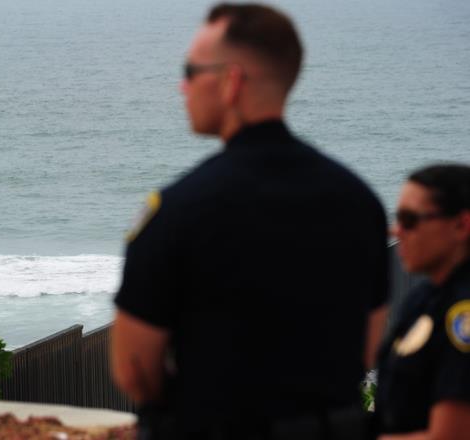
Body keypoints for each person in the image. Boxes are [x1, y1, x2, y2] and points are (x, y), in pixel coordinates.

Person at [111, 3, 389, 438]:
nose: (182, 87)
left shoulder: (178, 209)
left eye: (190, 71)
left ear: (231, 81)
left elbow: (134, 371)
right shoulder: (360, 202)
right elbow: (369, 347)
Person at [375, 164, 470, 439]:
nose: (396, 231)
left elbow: (451, 435)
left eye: (410, 220)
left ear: (461, 225)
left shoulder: (461, 314)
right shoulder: (424, 297)